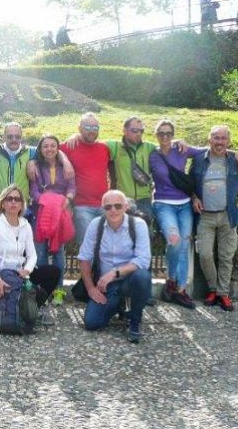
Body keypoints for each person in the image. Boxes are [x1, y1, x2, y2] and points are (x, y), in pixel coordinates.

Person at [190, 125, 238, 311]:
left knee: (226, 257)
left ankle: (223, 294)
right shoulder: (199, 160)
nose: (219, 141)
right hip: (204, 216)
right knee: (205, 254)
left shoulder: (234, 161)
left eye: (223, 138)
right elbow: (189, 182)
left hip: (227, 215)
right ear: (209, 140)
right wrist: (194, 197)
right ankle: (213, 288)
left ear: (228, 141)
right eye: (216, 137)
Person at [77, 190, 152, 343]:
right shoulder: (96, 225)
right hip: (106, 285)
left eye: (118, 206)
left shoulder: (138, 225)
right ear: (102, 208)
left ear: (125, 207)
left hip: (129, 280)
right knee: (92, 323)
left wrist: (114, 273)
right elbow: (84, 258)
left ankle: (134, 320)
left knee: (143, 277)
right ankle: (118, 305)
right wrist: (91, 288)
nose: (113, 210)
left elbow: (144, 260)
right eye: (108, 207)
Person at [0, 185, 61, 327]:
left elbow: (32, 256)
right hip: (0, 276)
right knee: (17, 290)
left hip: (19, 274)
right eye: (9, 199)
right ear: (3, 203)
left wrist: (28, 270)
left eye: (17, 199)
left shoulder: (26, 226)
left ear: (21, 205)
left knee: (54, 272)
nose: (13, 202)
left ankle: (32, 307)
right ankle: (21, 308)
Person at [149, 120, 205, 309]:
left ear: (173, 134)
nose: (165, 137)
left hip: (184, 204)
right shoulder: (152, 154)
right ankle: (171, 280)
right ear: (156, 135)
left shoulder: (181, 150)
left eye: (169, 133)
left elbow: (208, 150)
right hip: (163, 204)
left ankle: (179, 290)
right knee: (174, 241)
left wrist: (233, 153)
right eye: (161, 133)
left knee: (184, 245)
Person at [29, 135, 75, 307]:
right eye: (45, 146)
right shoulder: (36, 167)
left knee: (58, 254)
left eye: (53, 145)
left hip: (61, 212)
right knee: (39, 253)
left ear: (58, 148)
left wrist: (66, 200)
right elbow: (33, 191)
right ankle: (40, 290)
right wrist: (50, 202)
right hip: (40, 212)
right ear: (40, 149)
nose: (49, 149)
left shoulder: (66, 167)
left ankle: (59, 291)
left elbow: (72, 187)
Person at [59, 113, 111, 245]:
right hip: (82, 207)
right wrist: (65, 160)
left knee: (107, 246)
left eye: (95, 127)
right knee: (88, 246)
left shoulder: (104, 148)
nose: (92, 131)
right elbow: (49, 148)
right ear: (79, 128)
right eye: (87, 127)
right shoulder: (70, 145)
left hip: (104, 206)